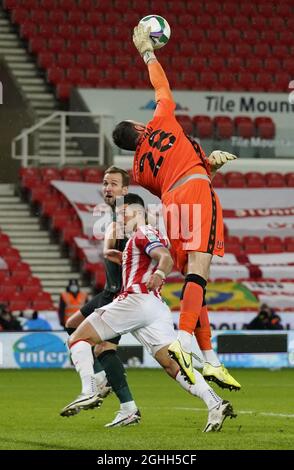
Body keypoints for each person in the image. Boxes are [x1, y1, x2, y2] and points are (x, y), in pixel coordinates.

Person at [112, 24, 240, 389]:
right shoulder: (162, 119)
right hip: (195, 191)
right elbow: (162, 88)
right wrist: (147, 53)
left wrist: (206, 164)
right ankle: (184, 342)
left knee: (192, 279)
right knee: (201, 269)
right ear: (139, 125)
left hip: (172, 206)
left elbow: (172, 176)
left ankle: (210, 357)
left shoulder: (137, 172)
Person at [61, 194, 236, 432]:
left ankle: (89, 389)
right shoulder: (147, 236)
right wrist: (126, 260)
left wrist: (160, 273)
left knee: (78, 338)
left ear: (139, 212)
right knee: (172, 365)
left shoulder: (144, 232)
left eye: (125, 212)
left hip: (136, 301)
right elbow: (150, 259)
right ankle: (214, 402)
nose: (120, 217)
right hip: (154, 308)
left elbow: (163, 257)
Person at [64, 167, 139, 423]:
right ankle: (103, 381)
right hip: (108, 290)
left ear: (125, 190)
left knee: (103, 348)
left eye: (114, 184)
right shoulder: (113, 215)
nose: (108, 188)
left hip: (119, 294)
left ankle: (124, 404)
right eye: (105, 183)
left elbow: (138, 251)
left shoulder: (128, 218)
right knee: (72, 325)